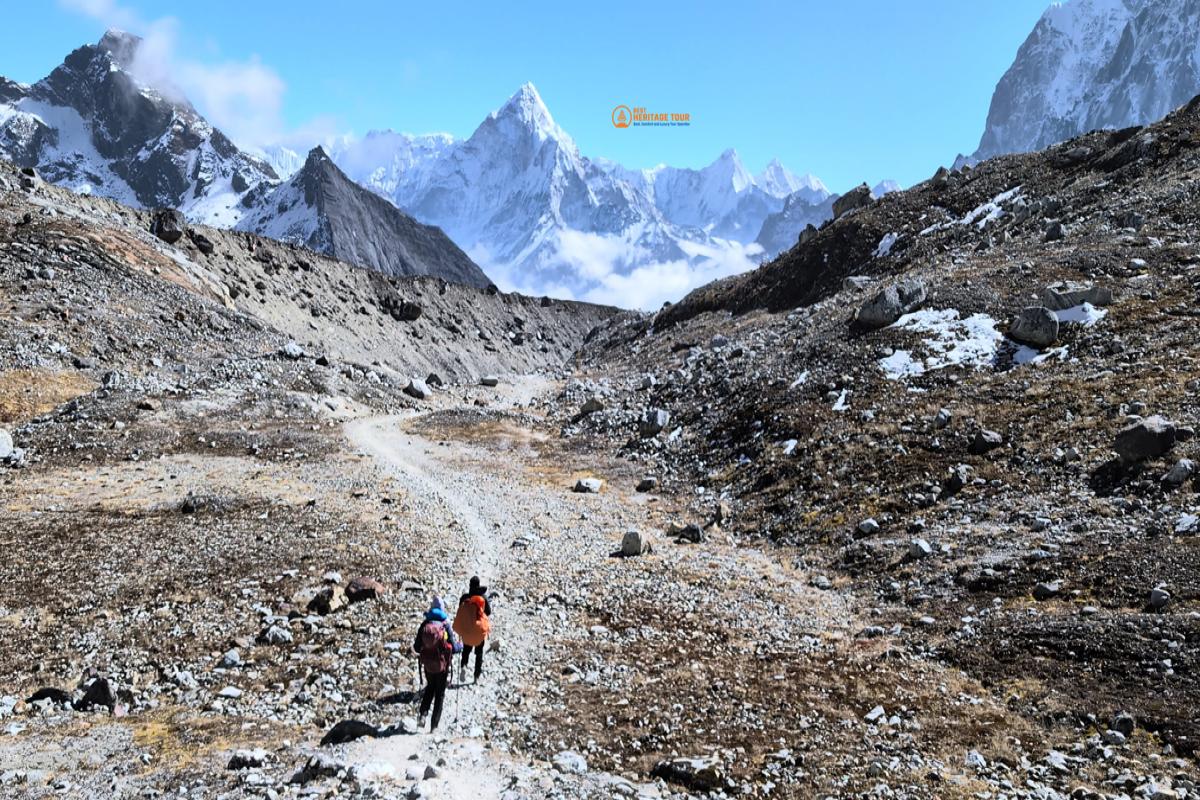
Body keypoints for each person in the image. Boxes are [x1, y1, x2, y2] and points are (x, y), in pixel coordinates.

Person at [412, 596, 453, 732]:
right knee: (440, 693)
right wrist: (459, 647)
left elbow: (417, 648)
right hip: (442, 665)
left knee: (430, 688)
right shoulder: (445, 625)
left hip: (428, 664)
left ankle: (423, 715)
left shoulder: (425, 625)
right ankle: (434, 726)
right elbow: (453, 646)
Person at [453, 576, 492, 683]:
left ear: (469, 585)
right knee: (479, 654)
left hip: (467, 629)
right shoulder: (483, 598)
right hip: (479, 631)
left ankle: (464, 666)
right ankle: (476, 676)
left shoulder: (465, 597)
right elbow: (488, 612)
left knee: (466, 650)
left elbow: (460, 611)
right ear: (478, 585)